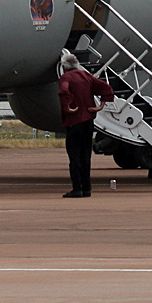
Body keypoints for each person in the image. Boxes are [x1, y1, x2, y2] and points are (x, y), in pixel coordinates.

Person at [58, 50, 114, 198]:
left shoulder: (65, 77)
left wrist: (67, 105)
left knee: (74, 158)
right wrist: (101, 104)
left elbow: (63, 91)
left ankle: (77, 188)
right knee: (85, 157)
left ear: (64, 67)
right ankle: (87, 188)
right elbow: (106, 87)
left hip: (74, 121)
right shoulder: (86, 76)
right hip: (88, 121)